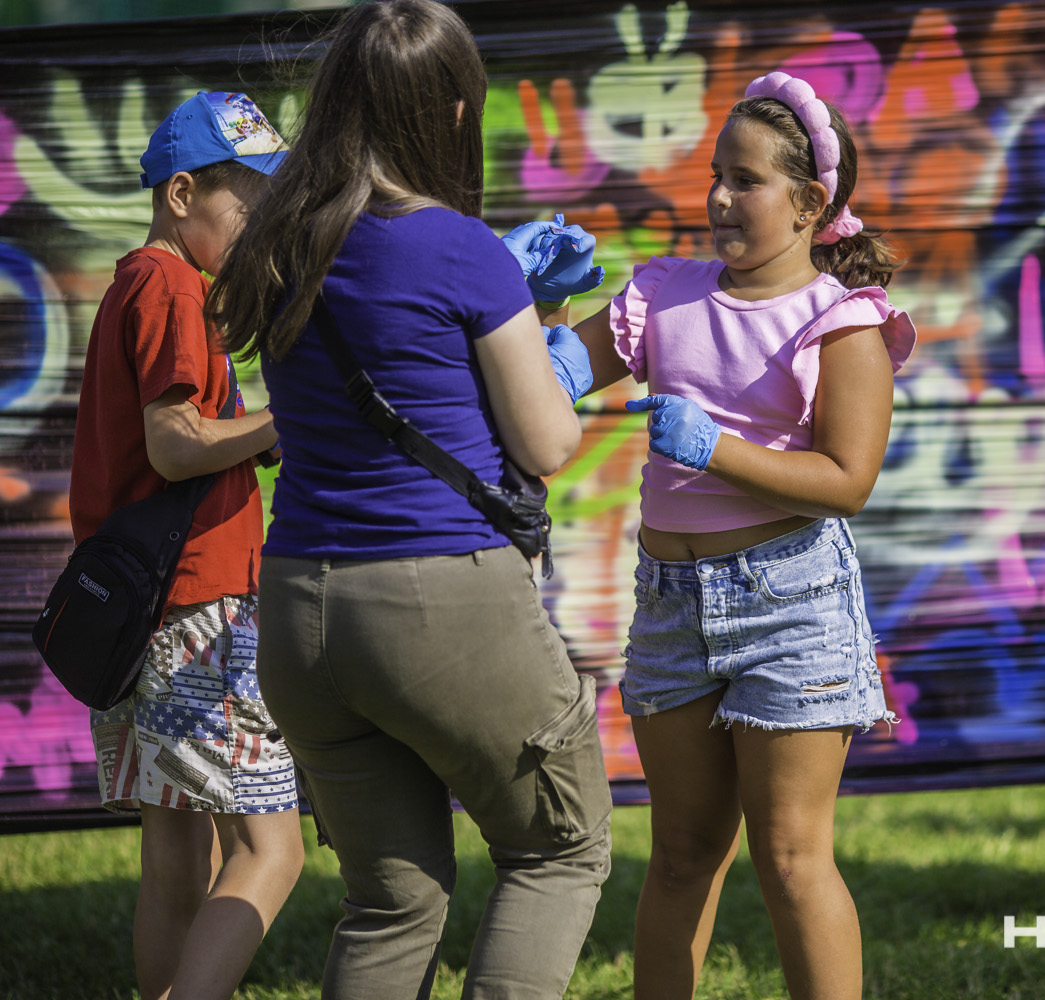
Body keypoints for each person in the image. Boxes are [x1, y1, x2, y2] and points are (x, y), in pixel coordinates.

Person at [205, 2, 612, 998]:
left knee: (390, 903)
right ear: (455, 111)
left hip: (301, 613)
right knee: (559, 849)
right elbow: (547, 443)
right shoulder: (464, 248)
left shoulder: (278, 242)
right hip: (440, 600)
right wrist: (554, 338)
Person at [529, 70, 915, 999]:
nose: (718, 198)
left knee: (790, 859)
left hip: (793, 606)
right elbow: (545, 384)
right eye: (716, 175)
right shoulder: (663, 292)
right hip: (670, 608)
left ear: (810, 204)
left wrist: (717, 450)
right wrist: (530, 306)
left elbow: (848, 482)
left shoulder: (842, 321)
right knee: (679, 856)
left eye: (746, 181)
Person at [71, 90, 303, 1000]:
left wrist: (248, 435)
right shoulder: (174, 287)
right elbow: (174, 445)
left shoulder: (134, 281)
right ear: (180, 195)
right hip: (197, 611)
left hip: (140, 619)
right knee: (272, 849)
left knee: (178, 858)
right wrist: (283, 420)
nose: (261, 225)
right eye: (248, 203)